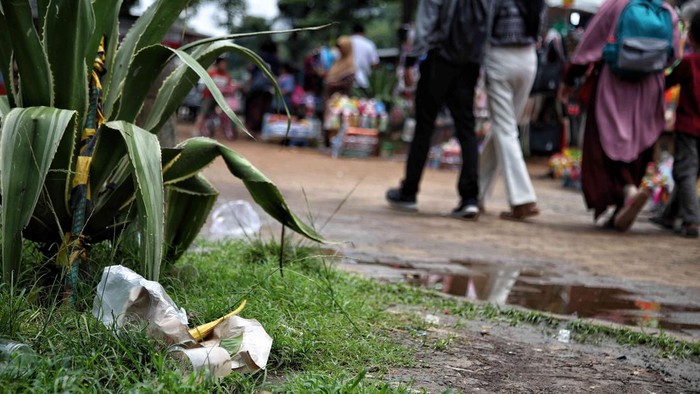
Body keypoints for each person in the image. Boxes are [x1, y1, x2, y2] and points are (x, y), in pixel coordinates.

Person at [559, 0, 679, 232]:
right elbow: (673, 56)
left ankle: (626, 192)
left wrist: (569, 78)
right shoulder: (666, 11)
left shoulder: (615, 5)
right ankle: (627, 196)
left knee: (604, 143)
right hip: (649, 88)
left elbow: (587, 48)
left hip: (613, 84)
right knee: (637, 146)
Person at [386, 0, 494, 218]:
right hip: (470, 62)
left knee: (424, 126)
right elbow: (489, 25)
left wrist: (411, 60)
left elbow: (426, 24)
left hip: (439, 59)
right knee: (466, 129)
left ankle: (409, 192)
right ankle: (470, 198)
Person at [479, 0, 546, 221]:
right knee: (504, 129)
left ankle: (523, 198)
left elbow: (484, 27)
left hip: (500, 57)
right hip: (527, 60)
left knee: (505, 130)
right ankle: (476, 193)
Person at [652, 11, 700, 238]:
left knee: (685, 172)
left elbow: (665, 82)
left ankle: (691, 220)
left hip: (689, 127)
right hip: (692, 127)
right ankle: (669, 216)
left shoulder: (689, 63)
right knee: (690, 173)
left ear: (691, 36)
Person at [194, 57, 233, 136]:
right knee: (203, 112)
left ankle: (222, 131)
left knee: (224, 113)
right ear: (218, 64)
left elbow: (229, 86)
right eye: (222, 64)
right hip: (209, 96)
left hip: (220, 98)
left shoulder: (227, 76)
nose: (224, 65)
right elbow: (205, 85)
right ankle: (196, 130)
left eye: (225, 64)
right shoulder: (211, 73)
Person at [350, 24, 380, 91]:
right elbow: (375, 64)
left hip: (348, 82)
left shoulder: (347, 43)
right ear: (363, 32)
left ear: (352, 32)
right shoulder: (369, 44)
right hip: (365, 81)